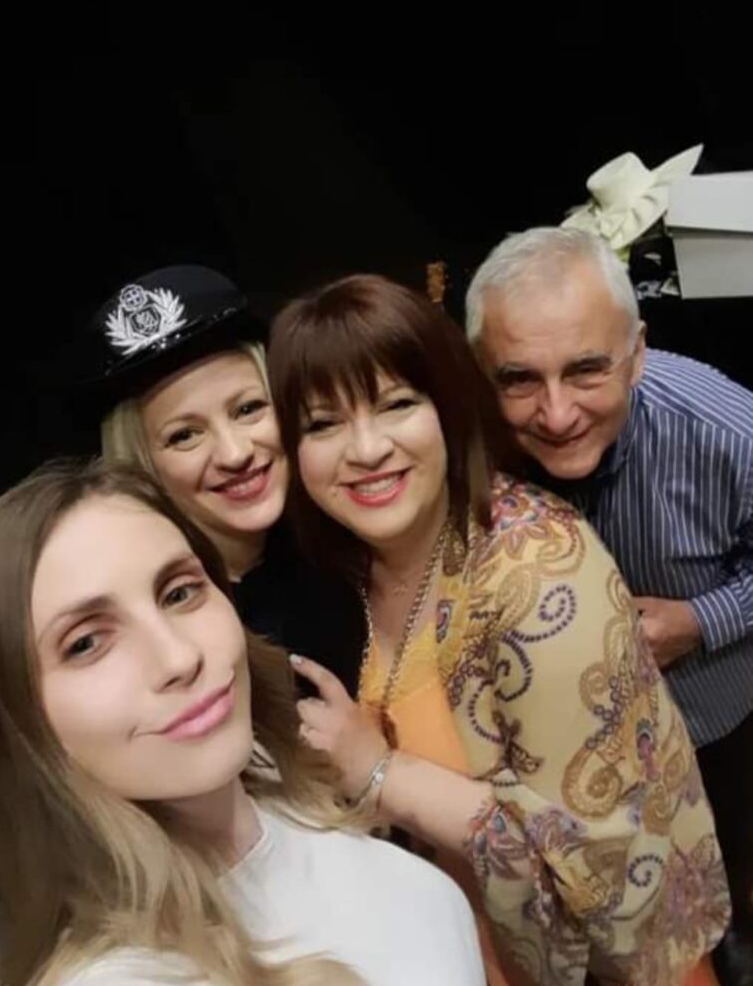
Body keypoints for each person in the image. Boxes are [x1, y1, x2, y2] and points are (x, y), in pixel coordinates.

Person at [266, 272, 730, 986]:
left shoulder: (539, 572)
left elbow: (595, 860)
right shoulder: (347, 563)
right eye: (323, 424)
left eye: (396, 404)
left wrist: (382, 775)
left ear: (449, 407)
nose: (365, 448)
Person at [0, 459, 485, 986]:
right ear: (11, 721)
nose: (179, 657)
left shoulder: (292, 803)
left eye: (179, 593)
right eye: (86, 643)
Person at [465, 227, 753, 984]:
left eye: (587, 369)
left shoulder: (728, 430)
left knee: (719, 895)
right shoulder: (455, 451)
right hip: (546, 771)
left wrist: (701, 620)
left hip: (709, 727)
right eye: (519, 380)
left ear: (637, 352)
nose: (557, 414)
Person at [82, 264, 365, 687]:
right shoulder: (153, 640)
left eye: (248, 409)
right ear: (142, 464)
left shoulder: (347, 544)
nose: (236, 454)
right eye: (185, 436)